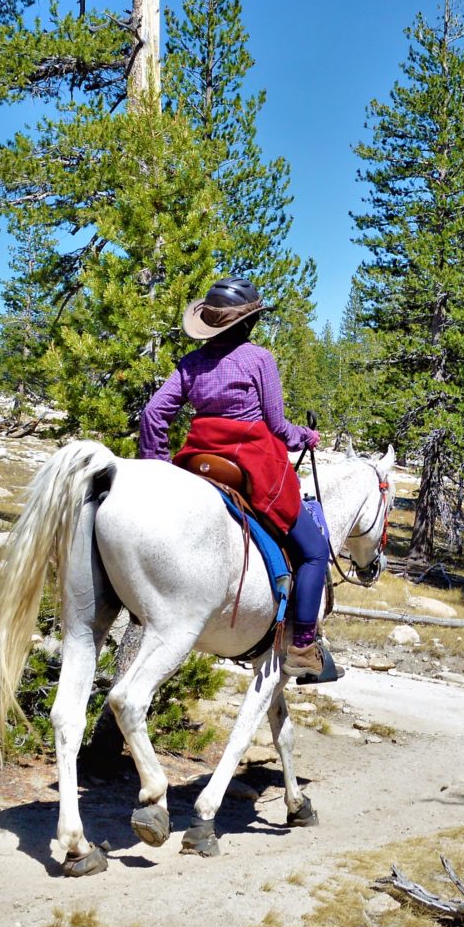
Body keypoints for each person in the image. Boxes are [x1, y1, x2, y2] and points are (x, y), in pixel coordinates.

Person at [139, 276, 336, 679]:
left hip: (198, 460)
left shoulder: (191, 363)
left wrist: (156, 466)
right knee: (314, 548)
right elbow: (278, 426)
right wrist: (308, 436)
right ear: (248, 323)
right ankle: (301, 647)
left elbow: (153, 414)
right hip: (250, 462)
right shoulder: (258, 359)